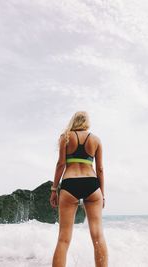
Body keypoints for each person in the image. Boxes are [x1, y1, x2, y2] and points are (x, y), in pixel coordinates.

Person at [50, 111, 108, 267]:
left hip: (70, 184)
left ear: (73, 121)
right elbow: (100, 169)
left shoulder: (66, 137)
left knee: (63, 238)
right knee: (98, 236)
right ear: (86, 122)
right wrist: (102, 194)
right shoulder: (96, 140)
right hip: (92, 184)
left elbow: (61, 164)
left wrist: (54, 189)